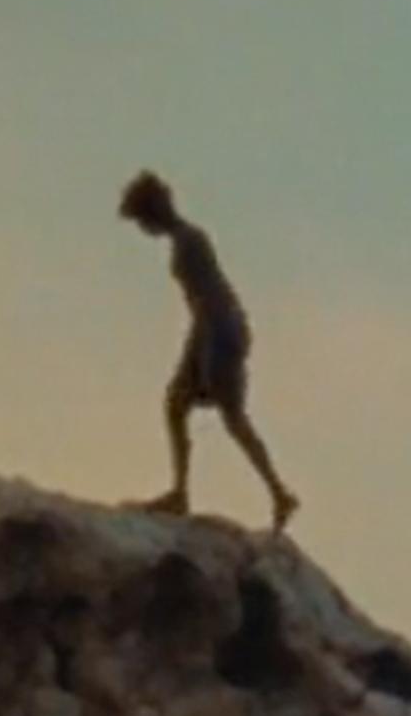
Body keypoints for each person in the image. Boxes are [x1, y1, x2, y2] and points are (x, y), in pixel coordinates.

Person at [118, 171, 297, 532]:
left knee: (232, 417)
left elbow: (209, 299)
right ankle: (182, 492)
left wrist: (205, 350)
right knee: (177, 405)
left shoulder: (189, 242)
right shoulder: (186, 240)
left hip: (217, 331)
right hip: (211, 330)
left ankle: (278, 493)